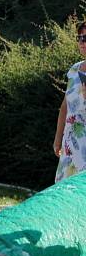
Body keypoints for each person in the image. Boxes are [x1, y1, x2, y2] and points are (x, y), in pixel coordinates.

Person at [54, 22, 86, 182]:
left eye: (85, 38)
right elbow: (65, 107)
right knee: (63, 190)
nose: (82, 42)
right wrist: (58, 139)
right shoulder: (74, 70)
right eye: (79, 38)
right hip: (69, 141)